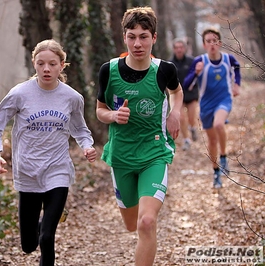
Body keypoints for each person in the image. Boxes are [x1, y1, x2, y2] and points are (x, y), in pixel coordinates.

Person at [0, 39, 97, 266]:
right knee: (28, 244)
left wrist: (87, 145)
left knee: (47, 238)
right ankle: (46, 220)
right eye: (41, 63)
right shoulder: (20, 94)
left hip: (58, 171)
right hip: (27, 171)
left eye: (52, 64)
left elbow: (80, 129)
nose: (46, 69)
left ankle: (50, 221)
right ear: (34, 64)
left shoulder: (72, 97)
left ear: (62, 65)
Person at [96, 7, 183, 266]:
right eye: (132, 36)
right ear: (124, 37)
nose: (137, 43)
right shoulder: (108, 70)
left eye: (144, 36)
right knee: (131, 224)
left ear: (154, 38)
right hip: (121, 154)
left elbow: (177, 92)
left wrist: (175, 113)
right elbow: (100, 110)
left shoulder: (164, 70)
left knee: (147, 223)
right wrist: (112, 116)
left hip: (153, 152)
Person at [184, 27, 241, 189]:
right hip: (206, 104)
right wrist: (195, 73)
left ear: (220, 43)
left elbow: (237, 68)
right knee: (212, 140)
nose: (212, 44)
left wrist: (237, 84)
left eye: (214, 40)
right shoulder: (199, 61)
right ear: (204, 44)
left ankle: (224, 157)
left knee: (219, 124)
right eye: (208, 41)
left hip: (224, 100)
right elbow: (186, 85)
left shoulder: (228, 59)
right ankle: (216, 172)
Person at [170, 38, 199, 151]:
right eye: (176, 48)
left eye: (181, 47)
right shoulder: (170, 63)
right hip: (178, 95)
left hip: (191, 94)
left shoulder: (192, 61)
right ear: (173, 49)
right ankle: (186, 139)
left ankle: (192, 128)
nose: (179, 50)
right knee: (181, 117)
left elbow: (197, 77)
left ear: (185, 48)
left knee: (192, 118)